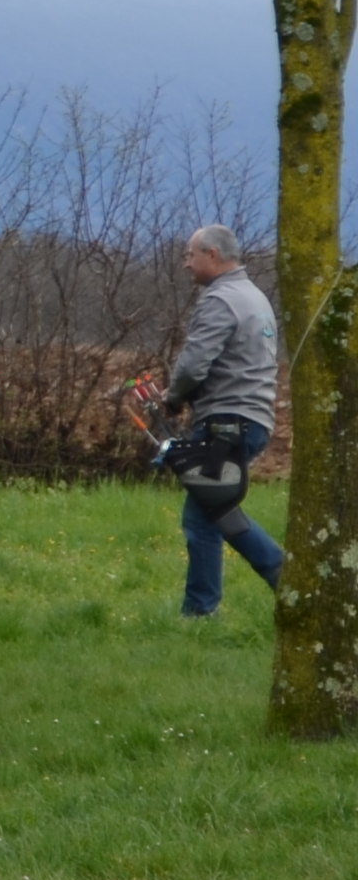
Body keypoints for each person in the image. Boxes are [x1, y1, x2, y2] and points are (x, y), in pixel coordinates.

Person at [157, 225, 287, 617]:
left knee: (206, 517)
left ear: (212, 254)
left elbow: (194, 365)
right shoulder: (254, 297)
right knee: (215, 511)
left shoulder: (221, 300)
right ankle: (208, 608)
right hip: (253, 420)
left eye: (190, 255)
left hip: (225, 422)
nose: (185, 263)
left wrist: (174, 397)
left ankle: (204, 611)